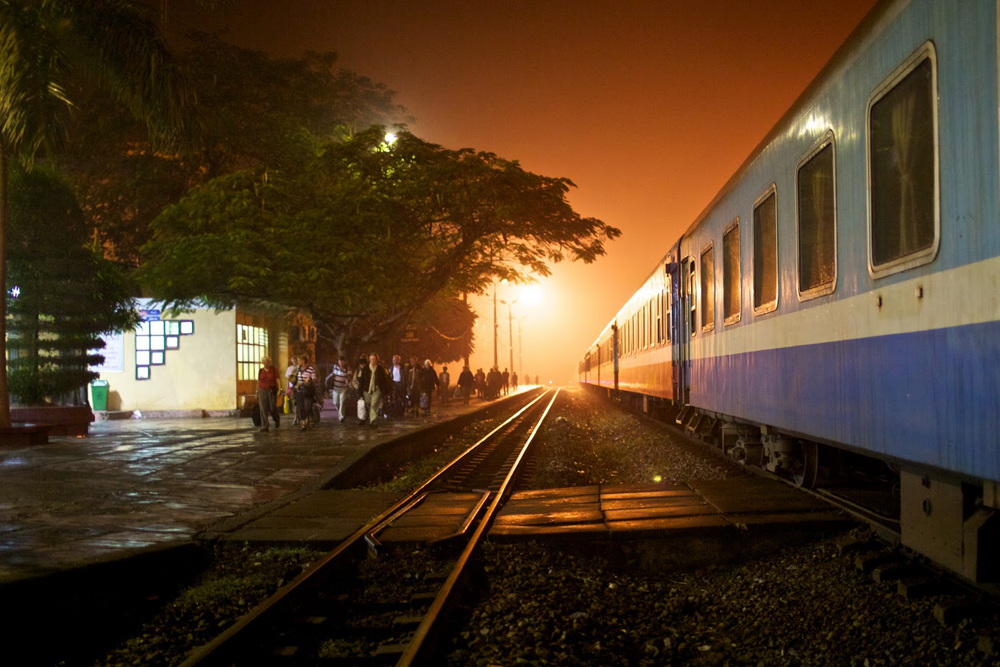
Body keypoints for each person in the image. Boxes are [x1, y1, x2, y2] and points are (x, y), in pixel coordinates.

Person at [357, 353, 392, 427]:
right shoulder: (365, 369)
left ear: (377, 360)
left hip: (377, 389)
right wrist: (359, 391)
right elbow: (361, 381)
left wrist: (386, 391)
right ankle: (370, 416)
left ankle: (372, 420)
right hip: (367, 390)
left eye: (374, 359)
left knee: (374, 404)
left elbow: (384, 380)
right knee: (368, 403)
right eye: (371, 359)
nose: (372, 361)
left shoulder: (380, 369)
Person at [256, 355, 280, 431]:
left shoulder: (274, 370)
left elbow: (278, 379)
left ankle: (276, 419)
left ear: (269, 362)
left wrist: (280, 389)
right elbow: (258, 381)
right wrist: (256, 392)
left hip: (271, 390)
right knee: (263, 408)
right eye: (264, 362)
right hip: (262, 390)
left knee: (272, 407)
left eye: (267, 362)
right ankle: (265, 425)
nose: (265, 364)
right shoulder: (261, 371)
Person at [294, 354, 318, 430]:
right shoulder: (297, 368)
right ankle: (303, 423)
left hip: (307, 391)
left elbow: (314, 378)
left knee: (307, 407)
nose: (297, 362)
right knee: (300, 408)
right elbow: (293, 377)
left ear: (303, 361)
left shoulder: (311, 368)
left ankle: (309, 418)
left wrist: (310, 380)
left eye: (299, 360)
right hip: (299, 390)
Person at [326, 356, 351, 423]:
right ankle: (340, 413)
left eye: (342, 362)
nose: (341, 363)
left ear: (344, 362)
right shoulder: (335, 367)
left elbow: (349, 376)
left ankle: (341, 416)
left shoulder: (347, 368)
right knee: (336, 402)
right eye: (340, 362)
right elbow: (332, 375)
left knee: (342, 402)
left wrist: (347, 379)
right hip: (335, 388)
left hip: (343, 388)